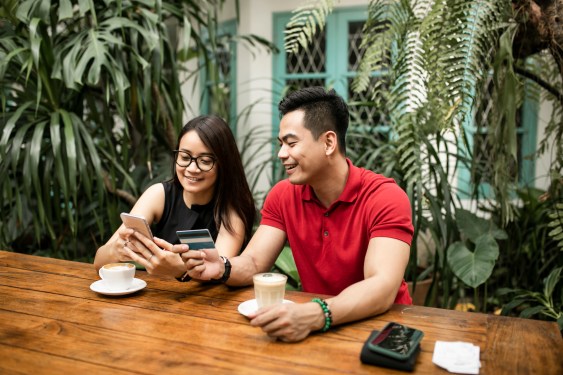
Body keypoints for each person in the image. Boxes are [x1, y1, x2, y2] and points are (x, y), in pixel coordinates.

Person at [135, 87, 413, 342]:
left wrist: (317, 314)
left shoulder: (385, 198)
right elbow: (254, 261)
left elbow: (382, 286)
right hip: (314, 329)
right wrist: (222, 267)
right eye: (280, 143)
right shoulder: (283, 196)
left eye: (291, 143)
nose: (281, 153)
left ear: (329, 142)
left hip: (384, 328)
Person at [94, 115, 256, 280]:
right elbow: (99, 261)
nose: (192, 168)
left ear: (224, 164)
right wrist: (116, 250)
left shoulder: (232, 210)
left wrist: (180, 270)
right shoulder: (159, 194)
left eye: (205, 161)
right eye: (185, 158)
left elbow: (216, 276)